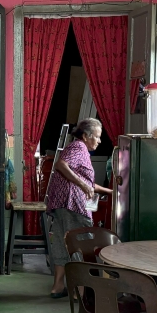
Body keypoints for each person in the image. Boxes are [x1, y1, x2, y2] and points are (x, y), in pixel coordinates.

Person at [45, 118, 112, 298]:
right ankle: (79, 290)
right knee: (80, 244)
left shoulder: (79, 150)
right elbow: (61, 165)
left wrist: (111, 191)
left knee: (61, 241)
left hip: (61, 204)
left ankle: (58, 287)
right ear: (85, 136)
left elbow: (89, 183)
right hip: (72, 204)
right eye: (97, 137)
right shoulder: (78, 148)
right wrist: (83, 186)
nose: (99, 141)